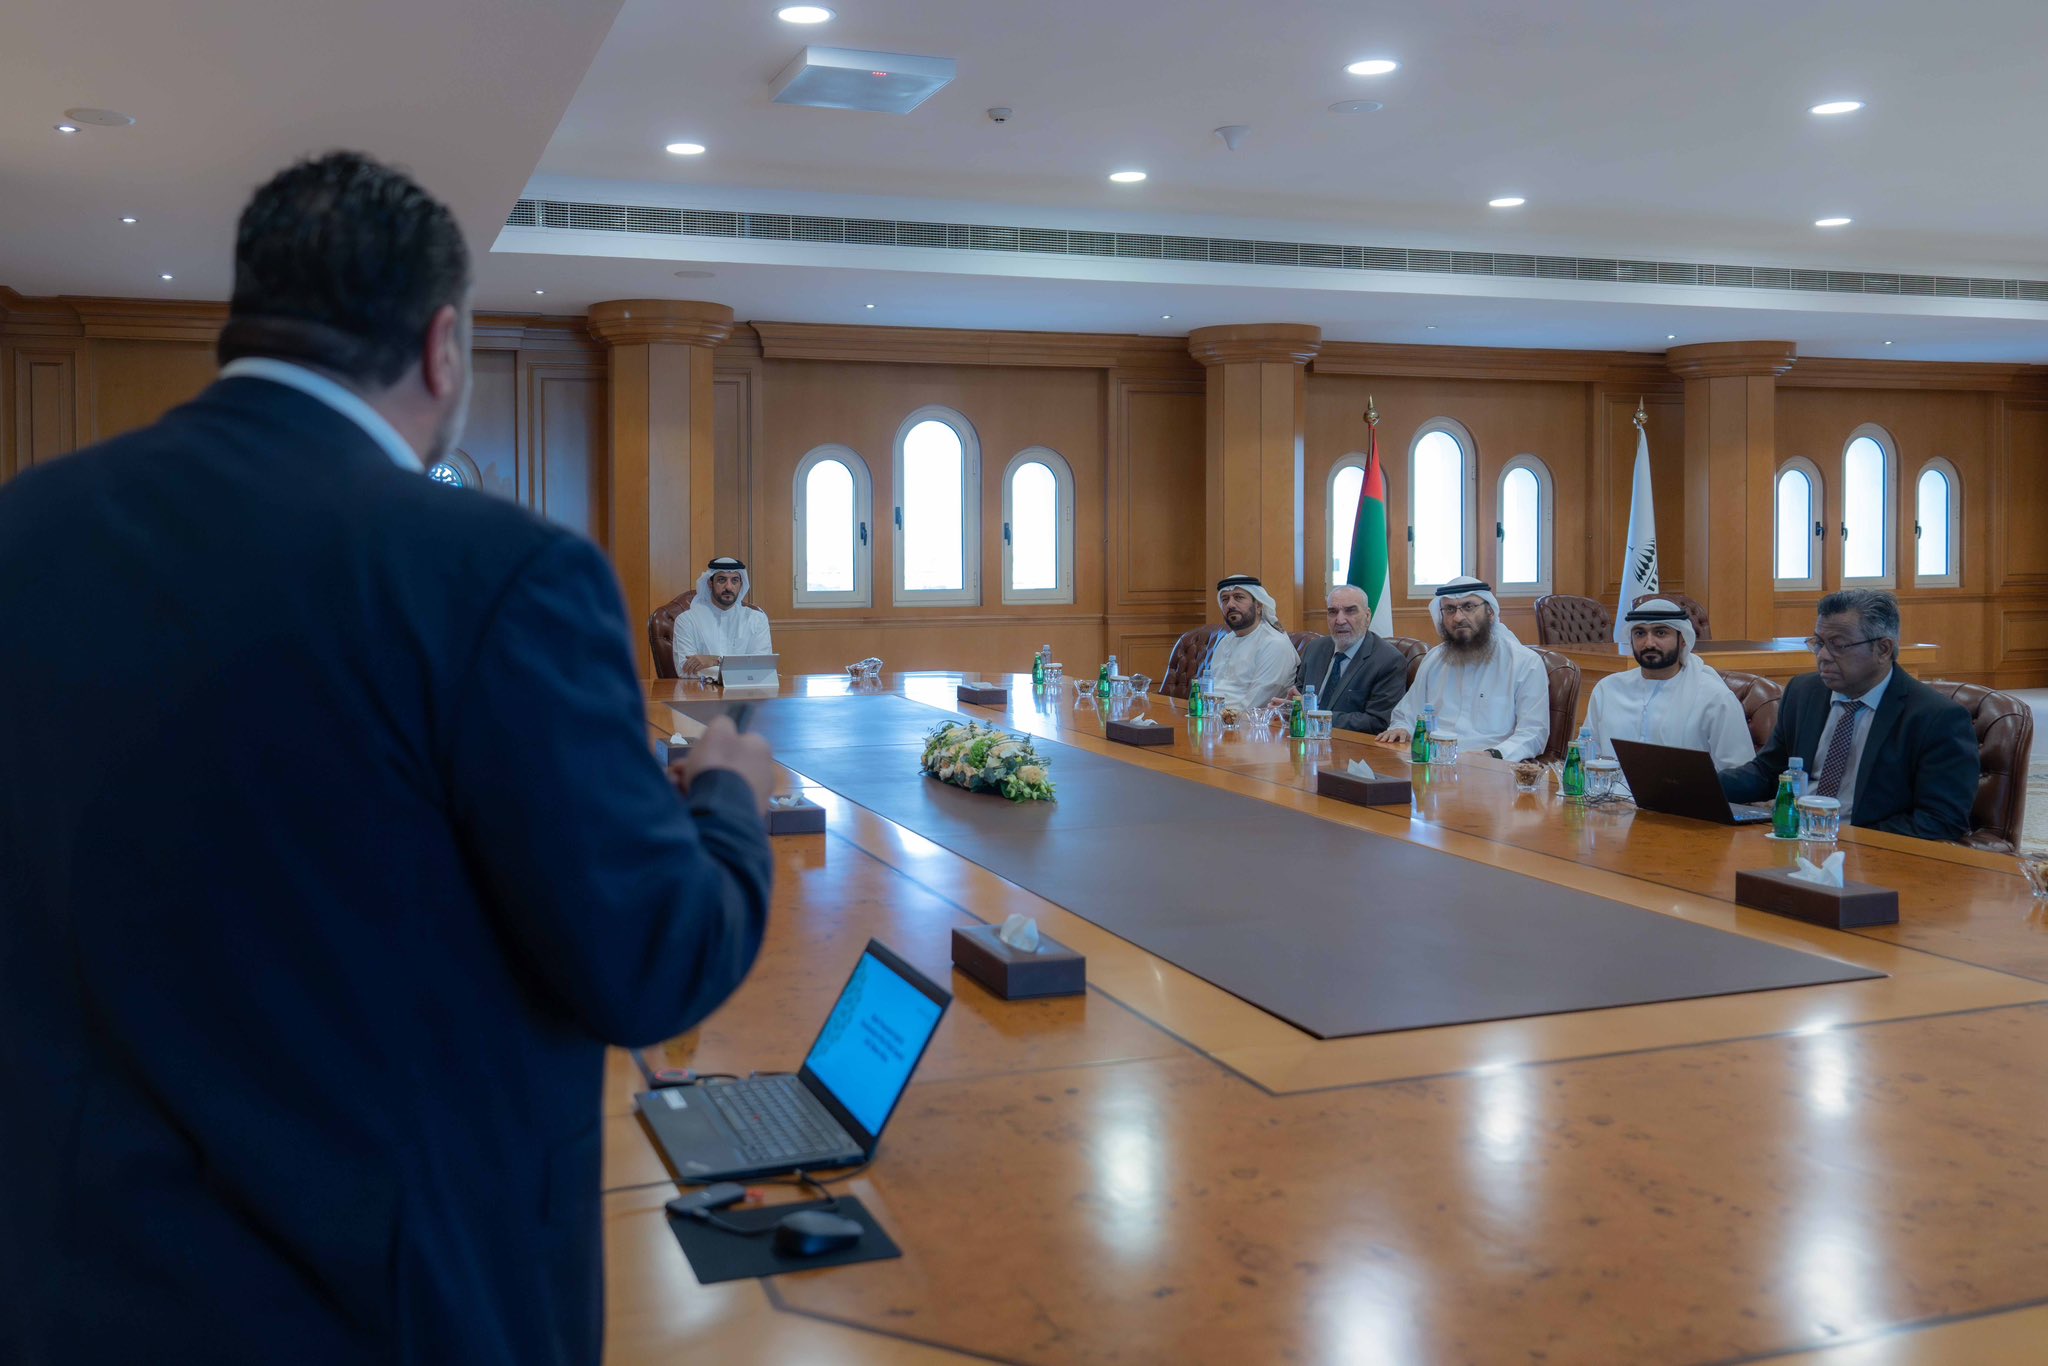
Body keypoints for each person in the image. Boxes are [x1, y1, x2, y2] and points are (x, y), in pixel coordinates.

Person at [0, 152, 776, 1364]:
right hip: (391, 1304)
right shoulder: (499, 574)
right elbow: (652, 962)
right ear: (442, 346)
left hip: (66, 1287)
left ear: (245, 321)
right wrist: (727, 795)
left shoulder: (26, 533)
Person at [1719, 588, 1977, 840]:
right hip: (1794, 839)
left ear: (1883, 649)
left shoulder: (1935, 718)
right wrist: (1704, 787)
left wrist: (1847, 838)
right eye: (1819, 643)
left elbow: (1942, 820)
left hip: (1869, 850)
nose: (1823, 656)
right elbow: (1768, 773)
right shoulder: (1804, 692)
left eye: (1838, 645)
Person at [1378, 576, 1549, 761]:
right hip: (1433, 762)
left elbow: (1533, 732)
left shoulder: (1525, 663)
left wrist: (1494, 754)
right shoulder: (1434, 659)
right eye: (1450, 609)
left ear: (1490, 612)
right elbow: (1407, 713)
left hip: (1491, 766)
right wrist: (1401, 728)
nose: (1458, 618)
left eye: (1468, 607)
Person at [1584, 598, 1754, 770]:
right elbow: (1585, 757)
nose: (1649, 643)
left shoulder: (1715, 698)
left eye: (1661, 633)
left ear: (1683, 639)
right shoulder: (1607, 690)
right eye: (1640, 633)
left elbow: (1738, 773)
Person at [1290, 584, 1410, 734]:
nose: (1340, 620)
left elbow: (1378, 722)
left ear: (1367, 616)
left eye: (1350, 611)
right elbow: (1300, 697)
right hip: (1306, 738)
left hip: (1349, 744)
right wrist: (1288, 707)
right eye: (1333, 612)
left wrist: (1316, 716)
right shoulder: (1315, 648)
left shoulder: (1389, 660)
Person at [1206, 573, 1301, 713]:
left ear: (1258, 606)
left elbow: (1256, 704)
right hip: (1213, 718)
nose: (1230, 604)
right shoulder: (1225, 641)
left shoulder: (1274, 644)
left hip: (1247, 722)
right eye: (1225, 599)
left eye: (1238, 597)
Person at [673, 555, 773, 677]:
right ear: (710, 584)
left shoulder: (756, 619)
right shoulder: (687, 621)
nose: (728, 587)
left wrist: (715, 661)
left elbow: (761, 668)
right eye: (722, 580)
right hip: (702, 689)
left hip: (743, 689)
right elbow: (684, 671)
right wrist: (740, 668)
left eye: (734, 580)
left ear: (741, 585)